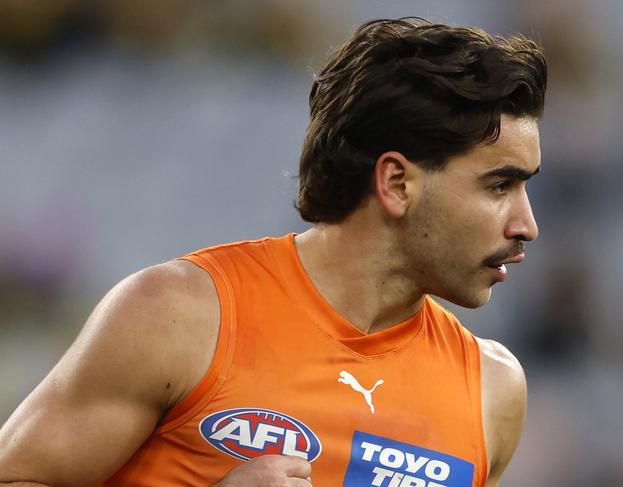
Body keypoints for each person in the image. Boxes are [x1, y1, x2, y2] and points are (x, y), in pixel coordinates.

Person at [0, 17, 546, 487]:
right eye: (500, 186)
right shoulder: (181, 314)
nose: (528, 225)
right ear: (397, 183)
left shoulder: (492, 392)